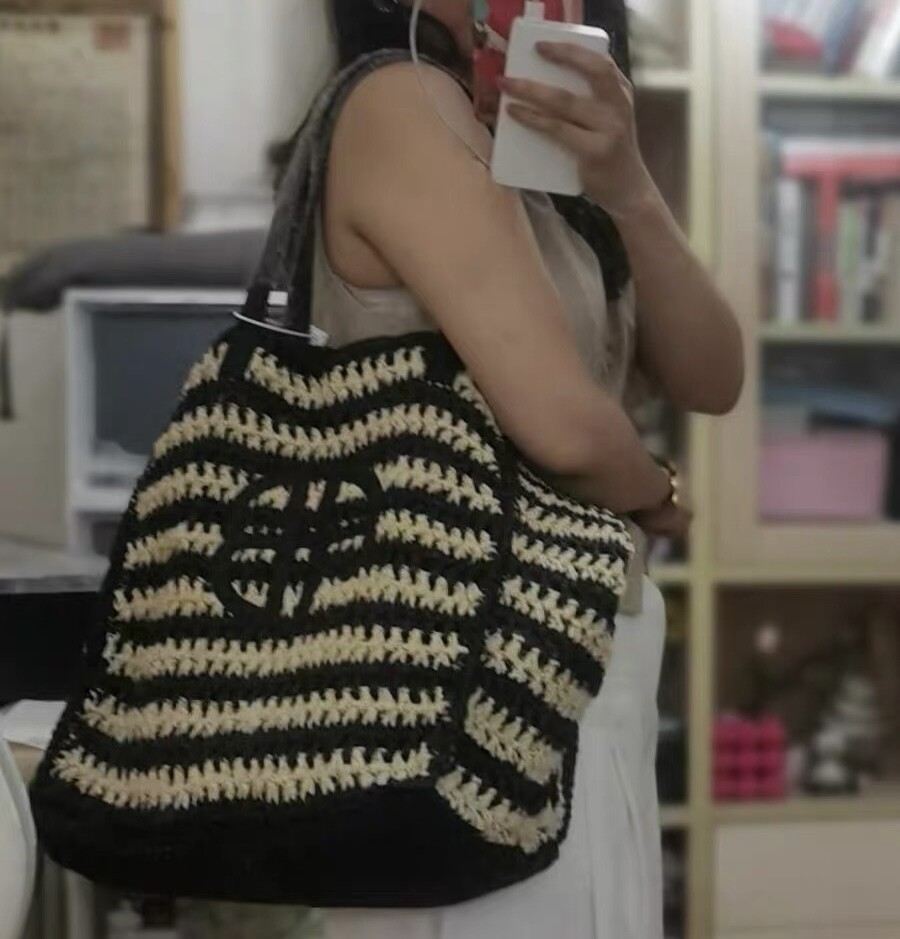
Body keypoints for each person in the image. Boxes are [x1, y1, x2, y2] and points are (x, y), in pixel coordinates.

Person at [186, 1, 742, 936]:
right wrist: (657, 492)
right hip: (464, 670)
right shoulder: (401, 103)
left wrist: (628, 188)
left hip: (563, 666)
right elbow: (565, 429)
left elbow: (712, 375)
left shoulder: (543, 158)